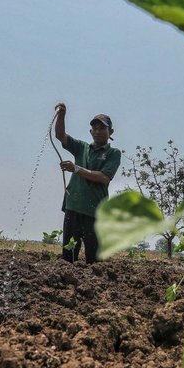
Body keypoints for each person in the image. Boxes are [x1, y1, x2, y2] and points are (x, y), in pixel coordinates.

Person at [54, 103, 121, 264]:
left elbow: (104, 177)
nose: (97, 132)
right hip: (73, 206)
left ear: (110, 132)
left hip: (95, 211)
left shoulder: (113, 153)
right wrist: (62, 115)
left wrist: (76, 169)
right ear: (90, 132)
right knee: (68, 256)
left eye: (102, 128)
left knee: (94, 259)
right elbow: (60, 136)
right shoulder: (81, 148)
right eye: (95, 129)